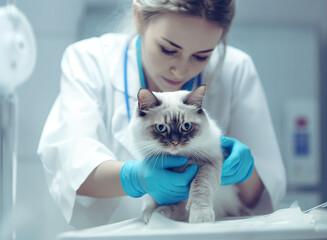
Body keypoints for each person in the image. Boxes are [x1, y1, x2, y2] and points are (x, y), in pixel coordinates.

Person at [38, 0, 286, 229]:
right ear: (139, 17)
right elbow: (72, 169)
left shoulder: (236, 68)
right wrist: (134, 178)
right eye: (169, 50)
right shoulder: (90, 60)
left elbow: (261, 193)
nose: (181, 70)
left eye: (201, 56)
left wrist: (241, 169)